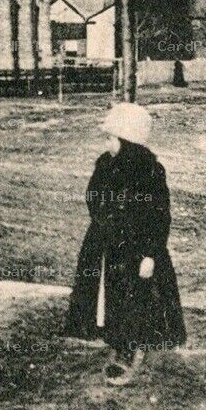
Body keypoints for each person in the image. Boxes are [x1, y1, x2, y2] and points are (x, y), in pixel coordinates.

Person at [64, 100, 186, 383]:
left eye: (111, 138)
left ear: (128, 140)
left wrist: (150, 254)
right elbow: (92, 196)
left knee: (134, 300)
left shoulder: (150, 172)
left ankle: (128, 352)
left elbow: (159, 216)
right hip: (105, 244)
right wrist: (104, 220)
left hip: (136, 248)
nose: (107, 143)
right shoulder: (105, 165)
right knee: (108, 298)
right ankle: (116, 341)